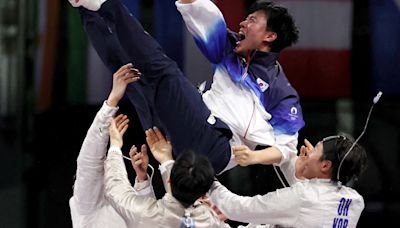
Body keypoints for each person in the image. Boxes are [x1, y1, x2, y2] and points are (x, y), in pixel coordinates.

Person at [69, 0, 304, 174]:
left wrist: (253, 156)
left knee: (163, 70)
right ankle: (84, 7)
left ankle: (104, 3)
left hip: (215, 148)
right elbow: (200, 10)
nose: (243, 22)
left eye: (252, 20)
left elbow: (286, 149)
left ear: (270, 36)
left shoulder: (281, 89)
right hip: (182, 136)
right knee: (128, 74)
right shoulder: (230, 47)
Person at [207, 135, 368, 227]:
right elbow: (314, 209)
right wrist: (301, 171)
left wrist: (207, 179)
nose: (308, 153)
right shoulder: (356, 201)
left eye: (315, 150)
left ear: (325, 165)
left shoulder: (305, 197)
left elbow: (238, 209)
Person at [104, 113, 230, 227]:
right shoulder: (211, 222)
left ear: (169, 180)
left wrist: (115, 145)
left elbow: (115, 188)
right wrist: (165, 161)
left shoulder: (146, 215)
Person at [69, 63, 151, 228]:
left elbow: (146, 220)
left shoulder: (96, 209)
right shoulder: (87, 208)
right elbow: (90, 162)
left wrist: (142, 181)